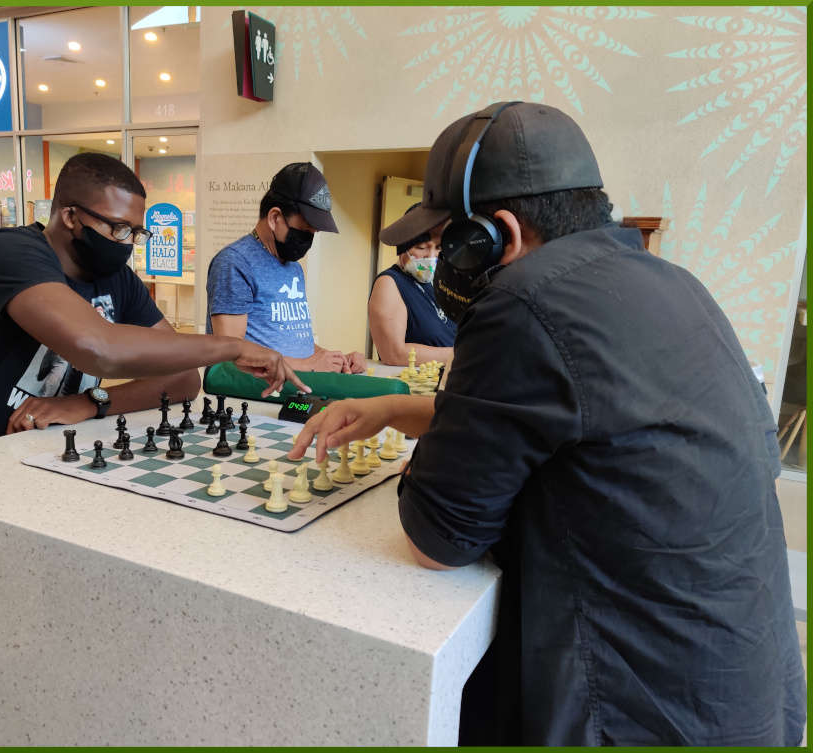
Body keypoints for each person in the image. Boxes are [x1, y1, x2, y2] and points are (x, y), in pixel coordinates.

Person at [290, 102, 805, 745]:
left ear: (495, 235)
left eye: (447, 238)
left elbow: (437, 542)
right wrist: (395, 408)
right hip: (742, 695)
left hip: (635, 708)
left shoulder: (523, 300)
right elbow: (572, 425)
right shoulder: (673, 283)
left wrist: (436, 446)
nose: (438, 258)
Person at [0, 153, 306, 455]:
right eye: (118, 229)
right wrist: (233, 346)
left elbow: (183, 379)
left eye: (135, 233)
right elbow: (98, 349)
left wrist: (91, 403)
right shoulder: (8, 252)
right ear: (70, 215)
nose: (126, 243)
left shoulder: (117, 279)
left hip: (40, 456)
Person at [206, 162, 366, 374]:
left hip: (293, 388)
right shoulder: (234, 263)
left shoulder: (293, 267)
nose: (307, 240)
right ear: (274, 218)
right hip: (254, 397)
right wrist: (309, 366)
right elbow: (229, 355)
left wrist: (334, 359)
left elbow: (293, 341)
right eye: (303, 231)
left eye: (313, 233)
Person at [368, 203, 456, 365]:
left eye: (438, 248)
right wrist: (462, 354)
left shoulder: (439, 282)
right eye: (421, 247)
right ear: (403, 246)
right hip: (414, 384)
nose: (431, 256)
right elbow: (394, 353)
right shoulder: (389, 283)